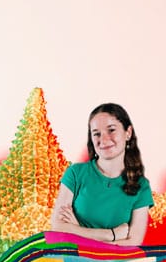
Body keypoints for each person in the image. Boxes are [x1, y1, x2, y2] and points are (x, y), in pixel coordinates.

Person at [50, 104, 152, 245]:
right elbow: (57, 226)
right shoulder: (75, 173)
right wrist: (111, 235)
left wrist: (77, 230)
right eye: (97, 133)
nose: (103, 140)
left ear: (128, 133)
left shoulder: (141, 186)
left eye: (111, 130)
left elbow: (134, 241)